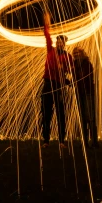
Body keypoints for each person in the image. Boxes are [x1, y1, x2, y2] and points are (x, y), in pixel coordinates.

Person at [40, 11, 71, 149]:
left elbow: (72, 71)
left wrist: (65, 74)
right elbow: (47, 35)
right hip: (47, 84)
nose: (58, 43)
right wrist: (47, 23)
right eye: (57, 41)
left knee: (60, 113)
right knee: (46, 113)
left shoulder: (68, 57)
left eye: (61, 42)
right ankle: (46, 140)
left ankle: (62, 141)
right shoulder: (50, 50)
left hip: (59, 86)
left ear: (64, 44)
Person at [72, 46, 98, 148]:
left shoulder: (87, 64)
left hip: (87, 92)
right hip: (79, 93)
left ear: (82, 53)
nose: (76, 55)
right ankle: (85, 142)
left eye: (78, 53)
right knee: (82, 118)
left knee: (90, 117)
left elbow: (86, 77)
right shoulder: (73, 65)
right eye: (75, 54)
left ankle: (94, 141)